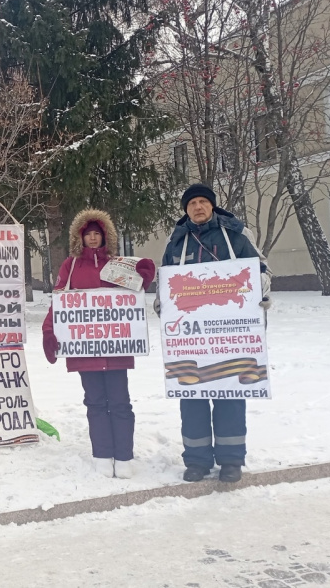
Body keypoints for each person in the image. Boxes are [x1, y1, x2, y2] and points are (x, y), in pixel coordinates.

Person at [161, 183, 270, 484]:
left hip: (230, 335)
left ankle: (231, 460)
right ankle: (196, 460)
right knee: (192, 394)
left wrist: (262, 292)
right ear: (185, 209)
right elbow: (165, 281)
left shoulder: (235, 235)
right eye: (192, 203)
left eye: (202, 202)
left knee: (230, 394)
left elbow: (260, 270)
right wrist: (162, 304)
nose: (198, 207)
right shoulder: (176, 242)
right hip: (190, 338)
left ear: (212, 205)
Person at [42, 209, 156, 479]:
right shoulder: (70, 267)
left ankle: (124, 456)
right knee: (94, 402)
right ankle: (103, 454)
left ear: (106, 237)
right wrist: (49, 331)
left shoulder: (116, 265)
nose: (92, 239)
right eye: (88, 234)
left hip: (116, 348)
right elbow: (59, 302)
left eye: (97, 234)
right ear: (79, 238)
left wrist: (144, 274)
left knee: (120, 402)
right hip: (85, 350)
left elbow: (135, 287)